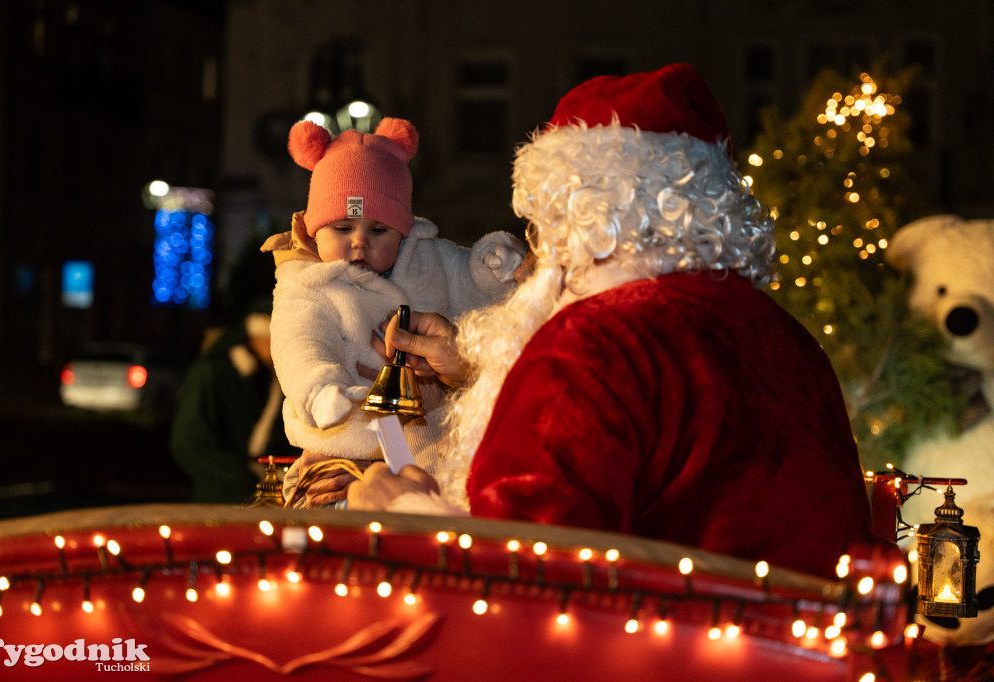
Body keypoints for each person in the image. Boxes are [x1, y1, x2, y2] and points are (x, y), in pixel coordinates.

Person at [348, 64, 879, 579]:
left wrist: (407, 514)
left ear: (579, 222)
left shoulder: (593, 342)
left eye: (540, 227)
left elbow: (522, 579)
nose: (534, 260)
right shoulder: (785, 336)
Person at [261, 117, 524, 508]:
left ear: (403, 230)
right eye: (342, 228)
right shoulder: (308, 284)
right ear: (315, 230)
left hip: (433, 452)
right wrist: (318, 389)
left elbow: (467, 279)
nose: (359, 243)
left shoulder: (428, 258)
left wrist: (492, 267)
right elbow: (298, 342)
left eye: (378, 231)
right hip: (343, 447)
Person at [170, 300, 300, 503]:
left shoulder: (278, 381)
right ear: (254, 336)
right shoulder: (210, 373)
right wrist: (243, 477)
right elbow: (188, 441)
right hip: (222, 495)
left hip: (272, 493)